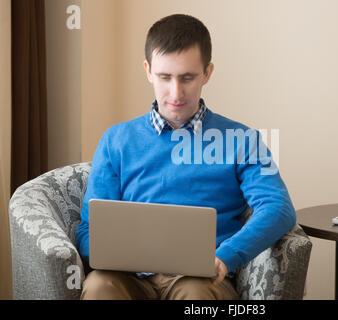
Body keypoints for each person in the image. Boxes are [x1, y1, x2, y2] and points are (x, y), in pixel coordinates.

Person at [75, 13, 297, 300]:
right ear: (148, 71)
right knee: (98, 287)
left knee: (195, 293)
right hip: (126, 278)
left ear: (207, 72)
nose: (175, 93)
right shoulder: (116, 139)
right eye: (164, 77)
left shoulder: (243, 140)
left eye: (187, 78)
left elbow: (278, 208)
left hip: (200, 278)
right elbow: (88, 228)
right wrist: (113, 253)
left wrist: (226, 256)